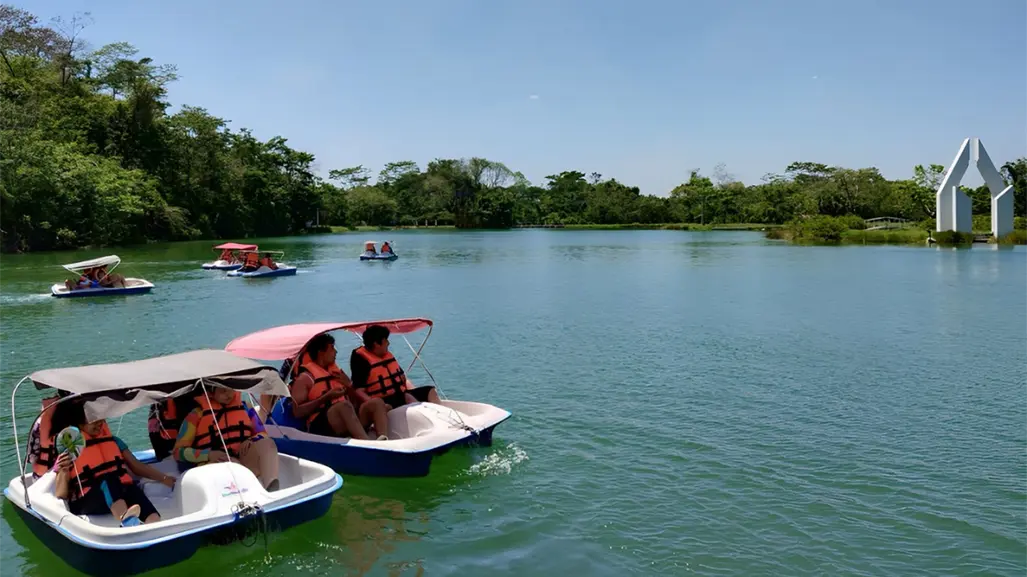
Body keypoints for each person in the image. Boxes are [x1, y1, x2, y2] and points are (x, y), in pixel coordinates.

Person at [52, 402, 173, 526]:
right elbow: (61, 493)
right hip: (87, 501)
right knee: (109, 480)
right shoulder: (71, 448)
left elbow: (136, 466)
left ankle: (154, 524)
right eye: (94, 419)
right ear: (80, 422)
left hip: (115, 493)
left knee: (131, 488)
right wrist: (64, 470)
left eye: (101, 418)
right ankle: (127, 522)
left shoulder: (114, 441)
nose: (99, 422)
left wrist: (164, 478)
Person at [172, 385, 280, 491]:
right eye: (223, 391)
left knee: (267, 443)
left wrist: (252, 439)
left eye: (230, 389)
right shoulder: (195, 415)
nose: (228, 394)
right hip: (216, 465)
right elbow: (178, 452)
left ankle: (271, 487)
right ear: (211, 392)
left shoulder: (245, 408)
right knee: (232, 466)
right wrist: (208, 455)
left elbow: (263, 434)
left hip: (244, 459)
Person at [289, 333, 389, 440]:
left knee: (377, 402)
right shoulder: (305, 378)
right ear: (321, 352)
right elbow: (297, 412)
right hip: (322, 425)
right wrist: (326, 397)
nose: (336, 352)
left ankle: (383, 440)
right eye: (332, 348)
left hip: (346, 418)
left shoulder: (337, 373)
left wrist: (349, 386)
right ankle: (367, 443)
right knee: (343, 406)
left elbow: (354, 404)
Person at [350, 325, 441, 413]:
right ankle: (422, 419)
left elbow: (402, 378)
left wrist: (413, 390)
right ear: (376, 344)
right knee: (407, 397)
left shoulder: (386, 355)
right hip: (383, 400)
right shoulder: (361, 360)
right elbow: (359, 391)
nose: (388, 343)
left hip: (400, 394)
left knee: (430, 391)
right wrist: (378, 406)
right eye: (386, 340)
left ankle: (441, 417)